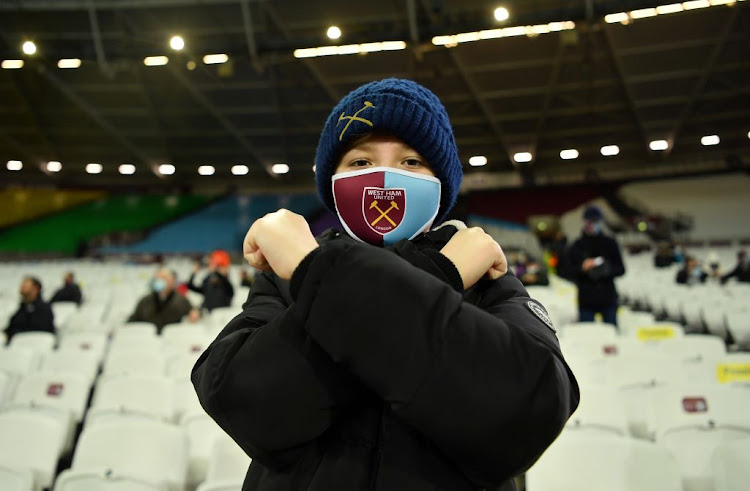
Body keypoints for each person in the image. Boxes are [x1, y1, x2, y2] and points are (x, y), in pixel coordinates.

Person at [192, 78, 579, 491]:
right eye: (360, 162)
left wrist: (316, 275)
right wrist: (440, 275)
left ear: (441, 181)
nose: (385, 177)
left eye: (411, 162)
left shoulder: (486, 272)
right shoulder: (286, 276)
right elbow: (246, 405)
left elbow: (527, 415)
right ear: (332, 182)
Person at [563, 205, 625, 326]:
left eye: (595, 221)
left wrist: (606, 270)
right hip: (587, 300)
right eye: (589, 221)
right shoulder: (577, 246)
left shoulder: (610, 243)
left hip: (608, 298)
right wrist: (583, 268)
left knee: (611, 337)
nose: (592, 225)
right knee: (588, 337)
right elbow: (566, 271)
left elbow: (621, 269)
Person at [128, 268, 196, 332]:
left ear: (172, 281)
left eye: (164, 278)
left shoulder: (181, 300)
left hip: (172, 338)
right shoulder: (145, 300)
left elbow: (193, 312)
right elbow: (133, 319)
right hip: (148, 338)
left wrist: (194, 314)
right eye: (158, 278)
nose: (160, 281)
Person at [5, 276, 55, 341]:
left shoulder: (44, 309)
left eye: (25, 285)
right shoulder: (22, 308)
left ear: (36, 288)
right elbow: (12, 326)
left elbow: (39, 330)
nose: (22, 287)